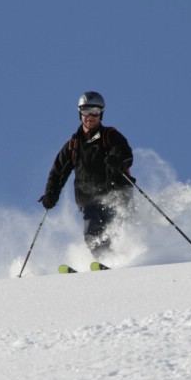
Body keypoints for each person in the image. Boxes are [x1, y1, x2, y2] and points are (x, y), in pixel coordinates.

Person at [39, 91, 135, 259]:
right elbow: (58, 172)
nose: (90, 116)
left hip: (116, 192)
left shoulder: (109, 136)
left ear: (101, 114)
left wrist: (117, 161)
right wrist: (51, 193)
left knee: (118, 228)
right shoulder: (73, 145)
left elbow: (125, 154)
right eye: (85, 111)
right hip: (89, 199)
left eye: (95, 112)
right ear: (79, 113)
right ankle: (106, 260)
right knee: (92, 232)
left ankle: (129, 257)